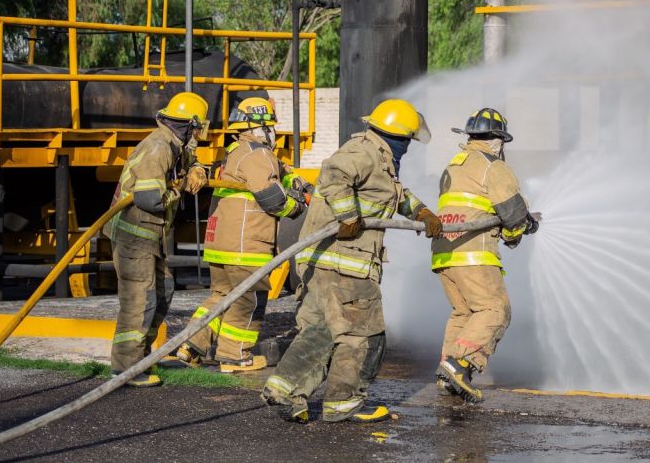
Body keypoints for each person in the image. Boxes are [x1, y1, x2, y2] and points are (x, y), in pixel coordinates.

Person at [260, 98, 442, 424]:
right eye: (408, 142)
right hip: (346, 264)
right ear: (399, 137)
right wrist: (347, 216)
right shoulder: (366, 152)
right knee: (364, 334)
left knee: (322, 330)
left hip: (326, 262)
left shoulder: (377, 156)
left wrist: (422, 212)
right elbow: (333, 174)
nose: (409, 149)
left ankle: (286, 392)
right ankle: (343, 403)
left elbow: (390, 194)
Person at [177, 97, 309, 373]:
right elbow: (273, 199)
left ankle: (192, 345)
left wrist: (294, 180)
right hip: (245, 243)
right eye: (270, 127)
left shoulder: (236, 152)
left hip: (221, 242)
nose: (273, 133)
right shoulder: (258, 154)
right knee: (249, 299)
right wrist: (297, 205)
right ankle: (235, 356)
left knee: (221, 296)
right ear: (259, 127)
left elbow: (273, 176)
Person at [432, 108, 538, 403]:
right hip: (473, 253)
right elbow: (513, 214)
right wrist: (520, 230)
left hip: (443, 252)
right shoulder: (492, 166)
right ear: (498, 140)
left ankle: (449, 372)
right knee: (495, 310)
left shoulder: (455, 164)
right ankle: (459, 363)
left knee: (464, 313)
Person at [105, 92, 210, 387]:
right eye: (198, 127)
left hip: (152, 237)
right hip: (133, 237)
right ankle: (126, 368)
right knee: (140, 299)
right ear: (189, 125)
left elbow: (191, 161)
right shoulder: (158, 147)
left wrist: (198, 170)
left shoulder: (176, 145)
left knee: (163, 289)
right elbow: (150, 199)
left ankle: (141, 357)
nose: (200, 134)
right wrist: (179, 189)